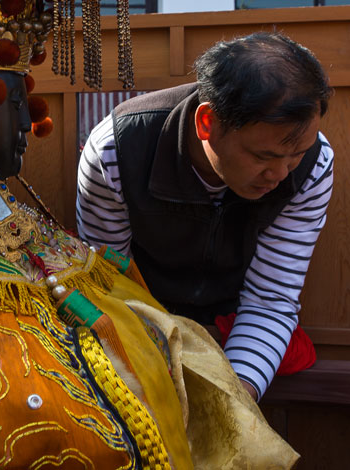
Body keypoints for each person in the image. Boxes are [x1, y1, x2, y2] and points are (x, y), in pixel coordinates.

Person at [0, 2, 300, 467]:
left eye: (25, 102)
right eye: (13, 102)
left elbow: (272, 299)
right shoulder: (119, 146)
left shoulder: (11, 210)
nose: (26, 124)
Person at [76, 32, 334, 402]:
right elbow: (107, 287)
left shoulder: (314, 165)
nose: (279, 175)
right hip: (141, 320)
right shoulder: (116, 151)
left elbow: (271, 299)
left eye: (294, 155)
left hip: (237, 321)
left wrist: (234, 399)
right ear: (207, 123)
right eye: (262, 157)